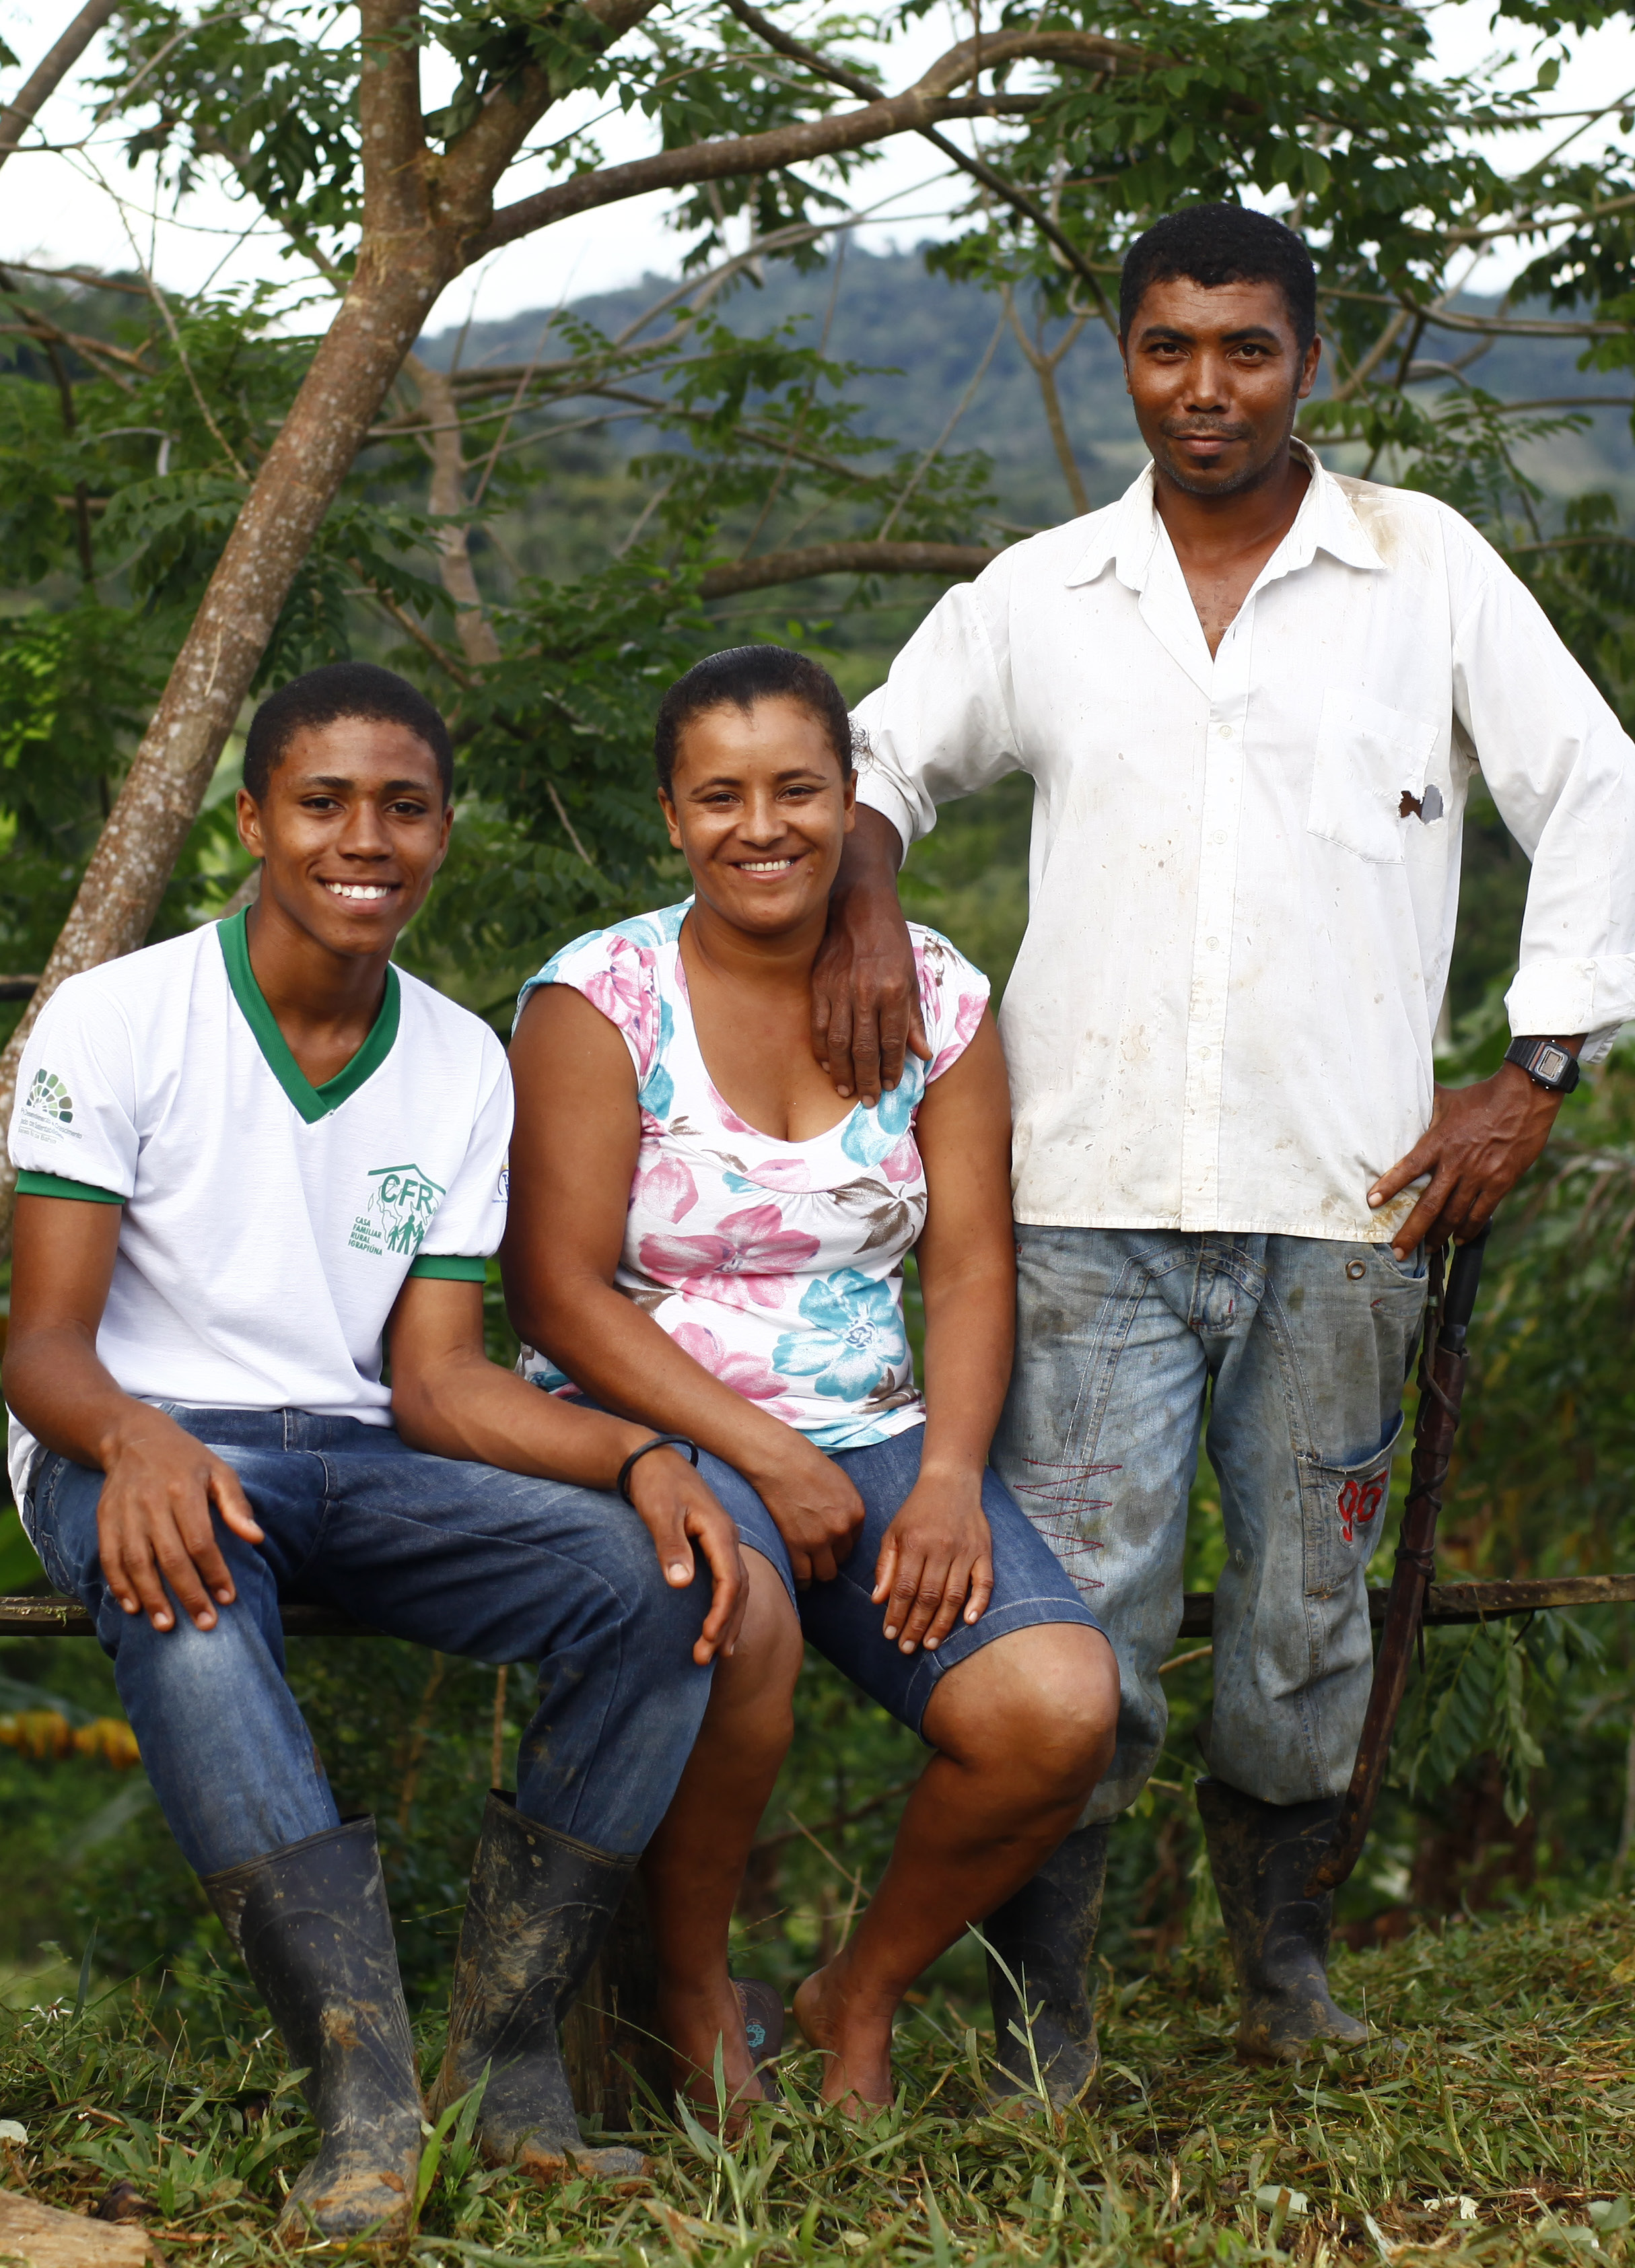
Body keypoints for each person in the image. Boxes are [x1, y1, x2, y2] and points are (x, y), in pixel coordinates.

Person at [806, 201, 1635, 2082]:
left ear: (1305, 361)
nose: (1205, 388)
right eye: (1168, 348)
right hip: (1078, 1201)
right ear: (1123, 359)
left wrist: (1534, 1069)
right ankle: (1047, 2020)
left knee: (1294, 1617)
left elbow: (1594, 785)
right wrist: (868, 901)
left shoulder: (1418, 572)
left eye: (1243, 349)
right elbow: (877, 758)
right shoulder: (1045, 594)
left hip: (1349, 1201)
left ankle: (1282, 1980)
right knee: (1078, 1627)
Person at [3, 662, 747, 2241]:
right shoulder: (123, 1015)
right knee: (187, 1589)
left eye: (403, 806)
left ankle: (508, 2058)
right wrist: (135, 1441)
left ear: (443, 834)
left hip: (357, 1451)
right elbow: (43, 1346)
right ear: (257, 818)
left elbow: (436, 1384)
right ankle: (363, 2096)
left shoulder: (459, 1063)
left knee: (661, 1579)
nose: (366, 837)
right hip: (133, 1441)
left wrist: (631, 1457)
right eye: (325, 801)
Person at [501, 644, 1121, 2114]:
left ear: (851, 800)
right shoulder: (602, 997)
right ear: (670, 815)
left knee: (1053, 1705)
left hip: (879, 1426)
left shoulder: (934, 999)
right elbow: (557, 1291)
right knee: (747, 1614)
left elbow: (970, 1264)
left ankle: (858, 1990)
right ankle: (694, 1990)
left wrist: (952, 1476)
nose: (759, 825)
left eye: (796, 788)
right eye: (718, 795)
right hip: (645, 1418)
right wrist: (765, 1458)